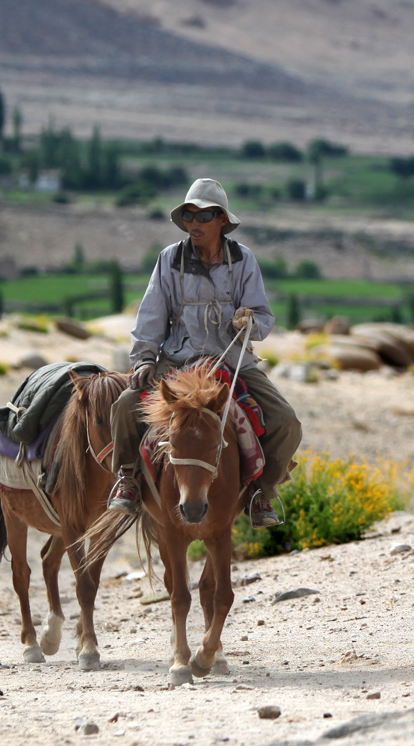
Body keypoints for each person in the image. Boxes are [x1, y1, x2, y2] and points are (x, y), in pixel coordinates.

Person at [107, 178, 301, 528]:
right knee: (123, 407)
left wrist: (249, 320)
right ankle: (129, 479)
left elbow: (264, 317)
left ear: (222, 220)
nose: (194, 223)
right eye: (189, 215)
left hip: (232, 360)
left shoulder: (242, 259)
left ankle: (262, 492)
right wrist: (145, 358)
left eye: (204, 216)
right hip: (177, 360)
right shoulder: (170, 259)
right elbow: (151, 315)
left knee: (287, 423)